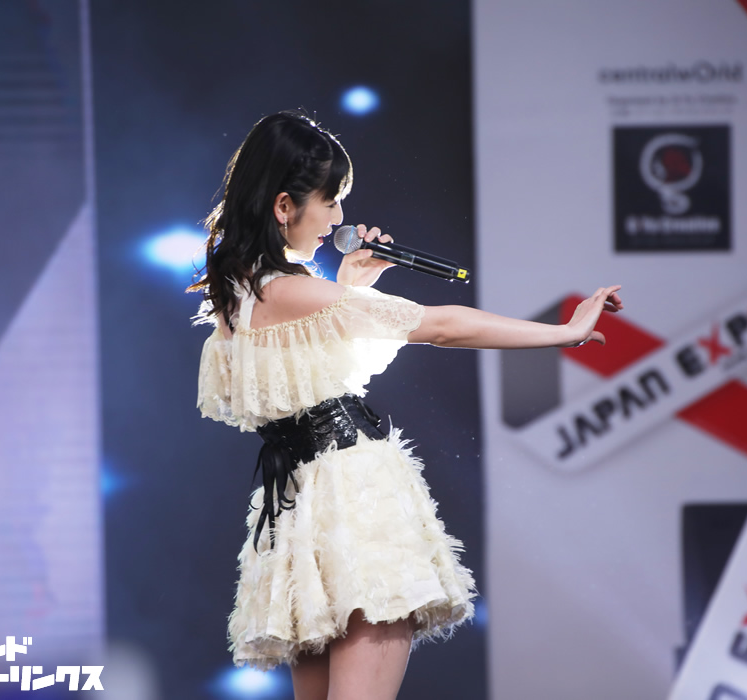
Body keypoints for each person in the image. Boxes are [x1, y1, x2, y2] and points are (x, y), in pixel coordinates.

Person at [190, 111, 623, 700]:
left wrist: (350, 287)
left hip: (304, 505)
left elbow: (309, 379)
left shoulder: (240, 290)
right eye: (330, 202)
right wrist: (563, 332)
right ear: (284, 206)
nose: (338, 219)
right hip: (352, 497)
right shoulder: (291, 289)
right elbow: (442, 326)